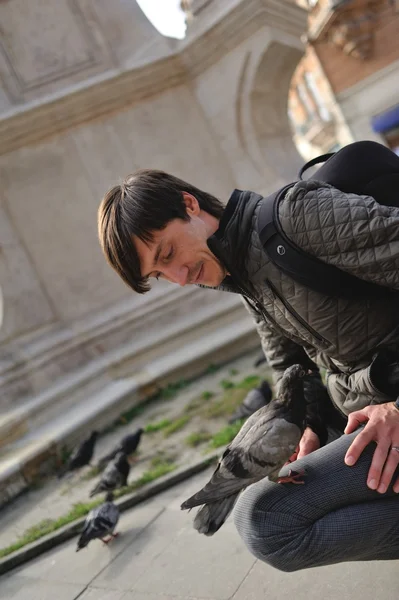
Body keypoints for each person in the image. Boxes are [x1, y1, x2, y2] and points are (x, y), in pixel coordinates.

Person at [97, 140, 399, 570]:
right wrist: (308, 425)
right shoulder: (243, 276)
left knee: (267, 522)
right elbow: (289, 367)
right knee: (267, 506)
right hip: (364, 415)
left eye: (167, 253)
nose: (179, 278)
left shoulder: (296, 218)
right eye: (160, 274)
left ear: (189, 205)